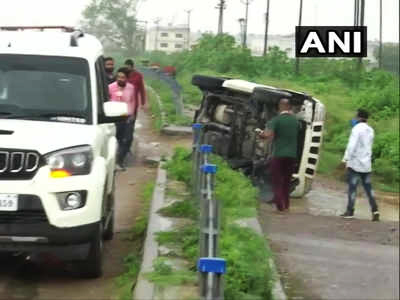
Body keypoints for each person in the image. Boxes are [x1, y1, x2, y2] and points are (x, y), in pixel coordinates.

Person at [259, 98, 299, 212]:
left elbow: (267, 135)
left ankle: (280, 207)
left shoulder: (276, 120)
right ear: (289, 107)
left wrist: (260, 134)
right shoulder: (295, 121)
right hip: (291, 156)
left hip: (279, 155)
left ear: (280, 106)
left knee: (277, 182)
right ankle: (286, 206)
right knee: (286, 181)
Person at [340, 109, 380, 221]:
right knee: (368, 189)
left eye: (355, 115)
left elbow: (351, 146)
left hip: (355, 163)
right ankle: (375, 210)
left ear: (359, 117)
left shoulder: (356, 129)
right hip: (366, 164)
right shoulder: (371, 130)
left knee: (352, 188)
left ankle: (350, 211)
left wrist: (345, 159)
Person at [108, 67, 137, 170]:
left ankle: (120, 161)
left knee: (128, 139)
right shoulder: (110, 87)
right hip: (114, 117)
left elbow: (133, 101)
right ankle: (112, 161)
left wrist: (132, 114)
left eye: (123, 77)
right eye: (119, 77)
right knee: (116, 139)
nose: (120, 79)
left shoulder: (131, 88)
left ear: (127, 78)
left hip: (127, 117)